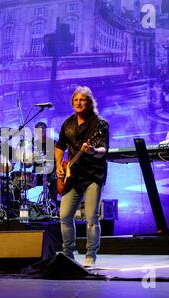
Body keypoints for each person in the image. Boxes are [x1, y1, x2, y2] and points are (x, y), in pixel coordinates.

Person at [55, 86, 109, 268]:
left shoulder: (99, 124)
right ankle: (68, 253)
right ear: (72, 103)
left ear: (90, 102)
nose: (79, 103)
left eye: (83, 100)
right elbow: (59, 147)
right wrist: (58, 166)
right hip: (72, 176)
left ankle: (90, 255)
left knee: (91, 217)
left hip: (93, 174)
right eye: (76, 100)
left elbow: (103, 150)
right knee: (64, 215)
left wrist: (93, 150)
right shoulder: (67, 124)